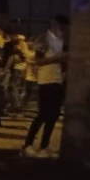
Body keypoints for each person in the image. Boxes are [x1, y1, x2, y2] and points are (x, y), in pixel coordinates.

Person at [22, 15, 69, 158]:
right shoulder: (44, 40)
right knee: (43, 114)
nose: (64, 30)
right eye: (61, 27)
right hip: (46, 81)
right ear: (55, 25)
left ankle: (44, 146)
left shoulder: (61, 41)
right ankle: (27, 145)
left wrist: (64, 63)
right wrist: (58, 58)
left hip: (58, 81)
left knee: (53, 115)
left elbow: (62, 63)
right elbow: (37, 61)